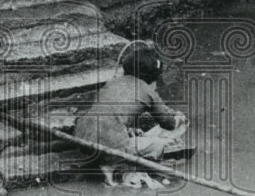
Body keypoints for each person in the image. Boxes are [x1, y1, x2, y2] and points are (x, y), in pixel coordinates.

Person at [73, 39, 189, 187]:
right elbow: (168, 123)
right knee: (157, 144)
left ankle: (110, 165)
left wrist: (128, 129)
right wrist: (179, 118)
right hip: (110, 147)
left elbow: (110, 113)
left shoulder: (113, 82)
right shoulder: (148, 91)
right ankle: (121, 170)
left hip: (81, 139)